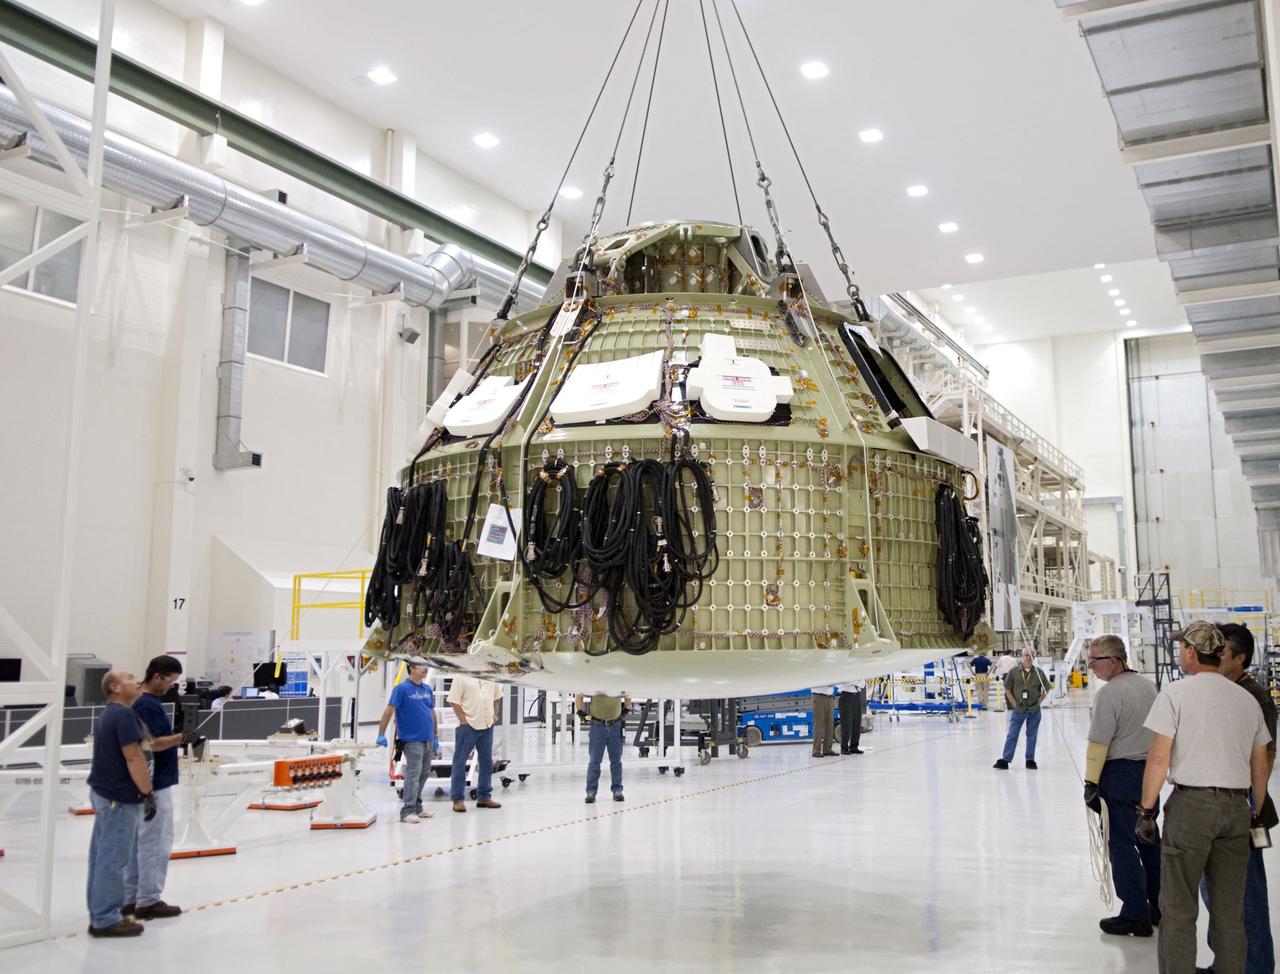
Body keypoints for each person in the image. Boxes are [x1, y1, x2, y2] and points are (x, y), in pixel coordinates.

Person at [1138, 621, 1271, 974]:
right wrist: (1255, 811)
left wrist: (1147, 810)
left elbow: (1158, 757)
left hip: (1191, 808)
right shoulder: (1245, 698)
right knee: (1229, 913)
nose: (1179, 653)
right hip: (1236, 808)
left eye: (1182, 647)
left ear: (1192, 653)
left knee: (1179, 909)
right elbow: (1261, 764)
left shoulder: (1176, 694)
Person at [1197, 623, 1275, 974]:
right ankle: (1227, 963)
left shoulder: (1253, 696)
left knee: (1246, 896)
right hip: (1213, 806)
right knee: (1216, 893)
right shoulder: (1221, 691)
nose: (1214, 657)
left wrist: (1254, 812)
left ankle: (1256, 966)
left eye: (1222, 652)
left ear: (1240, 658)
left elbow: (1264, 758)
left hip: (1240, 807)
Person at [1082, 635, 1161, 937]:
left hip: (1120, 775)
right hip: (1148, 773)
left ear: (1114, 661)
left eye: (1095, 660)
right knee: (1149, 838)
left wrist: (1090, 782)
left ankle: (1135, 914)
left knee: (1121, 844)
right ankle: (1157, 906)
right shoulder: (1148, 686)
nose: (1090, 666)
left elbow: (1099, 742)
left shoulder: (1109, 694)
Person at [85, 671, 157, 938]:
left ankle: (100, 913)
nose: (136, 680)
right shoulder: (123, 715)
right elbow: (133, 757)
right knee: (114, 857)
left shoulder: (109, 714)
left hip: (106, 793)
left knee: (102, 857)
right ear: (114, 687)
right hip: (120, 797)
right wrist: (147, 791)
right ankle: (105, 918)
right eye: (129, 678)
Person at [122, 656, 189, 921]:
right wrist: (182, 737)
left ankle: (131, 898)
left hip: (144, 781)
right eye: (171, 681)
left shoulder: (139, 702)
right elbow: (152, 743)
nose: (172, 687)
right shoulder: (148, 704)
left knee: (140, 841)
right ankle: (148, 899)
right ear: (158, 676)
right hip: (156, 782)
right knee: (156, 841)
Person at [376, 661, 441, 823]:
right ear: (412, 668)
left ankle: (417, 807)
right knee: (413, 774)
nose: (426, 669)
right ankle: (407, 811)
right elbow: (389, 710)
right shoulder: (401, 689)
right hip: (412, 740)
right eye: (421, 666)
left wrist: (436, 736)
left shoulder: (426, 689)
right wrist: (381, 733)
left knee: (424, 773)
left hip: (428, 739)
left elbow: (431, 713)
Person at [447, 675, 504, 813]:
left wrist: (494, 716)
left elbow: (497, 697)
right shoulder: (461, 676)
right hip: (468, 725)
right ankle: (458, 799)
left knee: (486, 762)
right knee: (460, 762)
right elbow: (454, 701)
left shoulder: (491, 675)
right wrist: (463, 719)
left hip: (487, 724)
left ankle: (484, 796)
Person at [993, 650, 1049, 770]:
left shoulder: (1039, 673)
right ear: (1022, 657)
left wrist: (1038, 702)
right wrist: (1013, 702)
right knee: (1012, 734)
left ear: (1034, 658)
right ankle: (1005, 759)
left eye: (1031, 656)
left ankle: (1030, 760)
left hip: (1034, 709)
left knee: (1032, 735)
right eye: (1026, 655)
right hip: (1019, 708)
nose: (1029, 658)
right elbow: (1007, 688)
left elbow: (1046, 689)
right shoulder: (1014, 672)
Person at [574, 693, 631, 803]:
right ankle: (591, 792)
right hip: (597, 725)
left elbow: (628, 693)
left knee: (616, 761)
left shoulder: (618, 682)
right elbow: (579, 693)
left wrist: (626, 708)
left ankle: (617, 790)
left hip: (615, 724)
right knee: (594, 762)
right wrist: (579, 711)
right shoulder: (595, 681)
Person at [838, 681, 866, 755]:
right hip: (846, 696)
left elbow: (863, 684)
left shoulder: (858, 674)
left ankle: (854, 747)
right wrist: (857, 682)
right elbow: (846, 682)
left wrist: (855, 682)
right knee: (846, 723)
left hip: (857, 696)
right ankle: (844, 748)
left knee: (857, 722)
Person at [811, 684, 837, 758]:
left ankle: (827, 749)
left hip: (830, 698)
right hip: (819, 697)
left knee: (830, 725)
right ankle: (816, 750)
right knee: (818, 725)